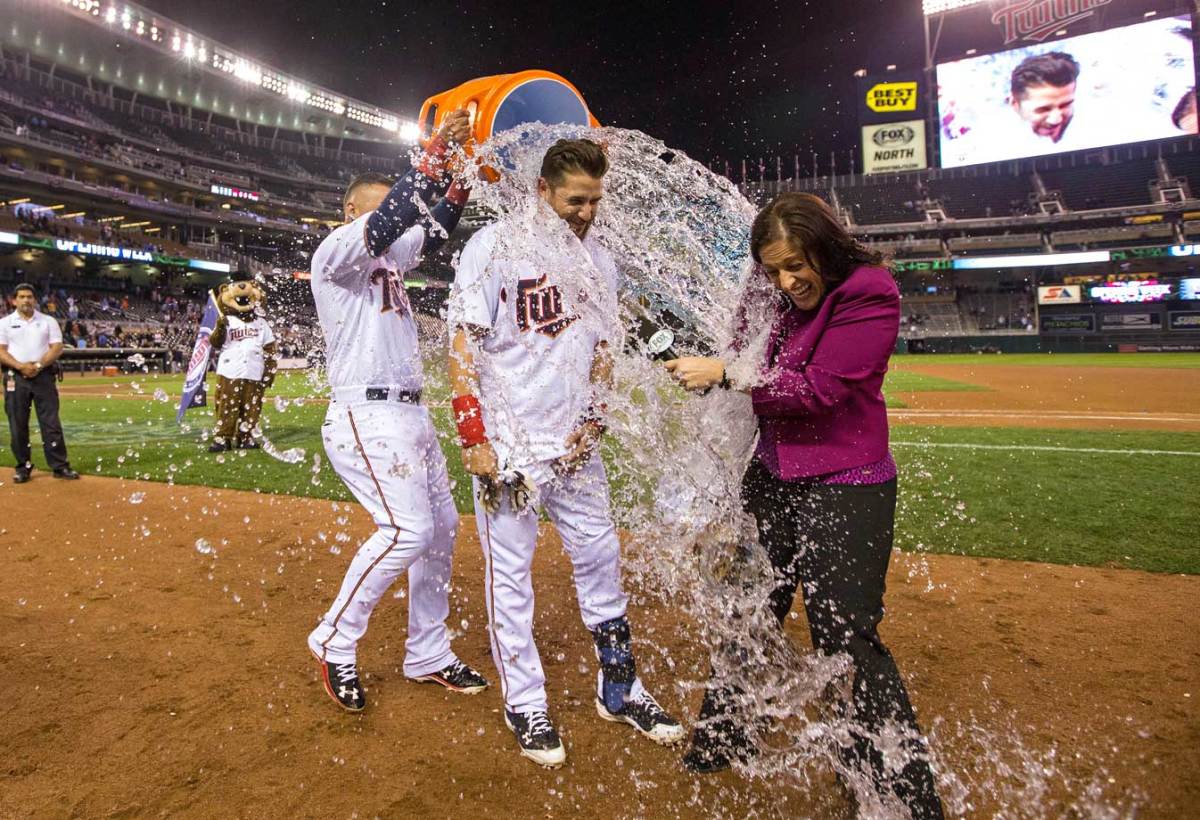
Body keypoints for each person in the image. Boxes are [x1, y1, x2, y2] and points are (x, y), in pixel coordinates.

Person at [665, 193, 943, 817]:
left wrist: (728, 375)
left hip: (847, 481)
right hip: (771, 476)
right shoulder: (774, 295)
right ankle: (724, 736)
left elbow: (819, 391)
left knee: (844, 634)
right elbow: (741, 350)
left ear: (825, 247)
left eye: (797, 265)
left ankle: (898, 788)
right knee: (750, 608)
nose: (788, 282)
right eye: (773, 270)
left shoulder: (868, 292)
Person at [447, 138, 684, 769]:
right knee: (511, 579)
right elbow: (462, 346)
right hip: (511, 448)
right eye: (575, 200)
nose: (585, 212)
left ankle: (620, 684)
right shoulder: (493, 246)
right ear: (543, 192)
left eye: (595, 201)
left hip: (576, 448)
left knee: (602, 559)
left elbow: (604, 350)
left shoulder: (598, 262)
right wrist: (474, 439)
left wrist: (596, 417)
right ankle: (525, 700)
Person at [306, 109, 489, 712]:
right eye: (384, 209)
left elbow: (433, 228)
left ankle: (428, 651)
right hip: (366, 412)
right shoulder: (336, 252)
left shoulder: (388, 260)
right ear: (352, 213)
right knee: (407, 530)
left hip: (410, 414)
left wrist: (458, 177)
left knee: (440, 531)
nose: (401, 217)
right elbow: (393, 217)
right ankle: (335, 638)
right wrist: (434, 152)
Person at [0, 283, 79, 483]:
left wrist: (36, 365)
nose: (26, 300)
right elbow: (1, 350)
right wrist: (20, 366)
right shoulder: (5, 323)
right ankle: (23, 467)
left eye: (29, 296)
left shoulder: (48, 321)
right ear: (14, 300)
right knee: (17, 424)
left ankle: (59, 466)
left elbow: (57, 347)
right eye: (22, 296)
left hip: (43, 376)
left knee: (51, 423)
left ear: (35, 300)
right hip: (15, 377)